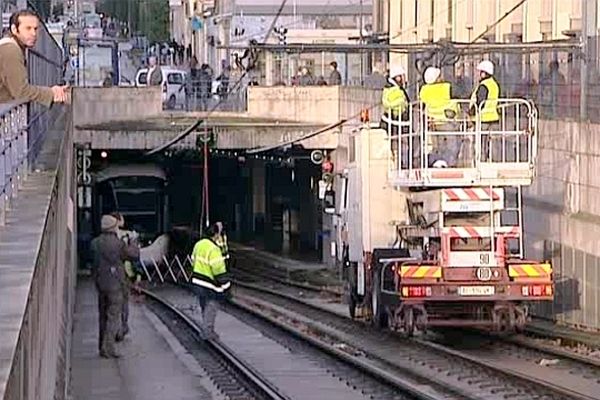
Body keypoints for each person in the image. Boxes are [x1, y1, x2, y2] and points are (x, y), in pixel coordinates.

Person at [90, 214, 140, 358]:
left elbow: (92, 262)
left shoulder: (95, 243)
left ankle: (101, 346)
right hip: (115, 283)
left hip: (100, 283)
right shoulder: (118, 244)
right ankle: (109, 348)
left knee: (102, 315)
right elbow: (134, 255)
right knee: (113, 316)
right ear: (113, 227)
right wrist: (133, 241)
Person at [0, 10, 69, 106]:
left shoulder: (9, 47)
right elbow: (21, 91)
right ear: (14, 29)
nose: (33, 33)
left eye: (36, 29)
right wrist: (51, 93)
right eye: (28, 28)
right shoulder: (11, 50)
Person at [191, 223, 231, 339]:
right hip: (208, 282)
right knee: (212, 304)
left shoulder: (199, 244)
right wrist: (226, 286)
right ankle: (207, 331)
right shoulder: (213, 249)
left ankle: (206, 328)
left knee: (204, 305)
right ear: (215, 235)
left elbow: (193, 259)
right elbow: (218, 269)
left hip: (197, 280)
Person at [419, 66, 460, 165]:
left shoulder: (423, 90)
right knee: (452, 144)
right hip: (446, 120)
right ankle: (450, 164)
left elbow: (422, 104)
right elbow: (460, 93)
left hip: (432, 122)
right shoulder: (446, 87)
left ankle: (438, 163)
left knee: (437, 146)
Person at [469, 60, 500, 161]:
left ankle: (480, 162)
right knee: (491, 144)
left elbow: (479, 101)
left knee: (480, 143)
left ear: (484, 73)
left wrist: (471, 112)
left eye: (480, 72)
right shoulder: (494, 84)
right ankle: (491, 162)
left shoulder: (484, 85)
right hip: (493, 118)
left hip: (483, 119)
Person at [381, 65, 410, 167]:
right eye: (402, 76)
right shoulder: (395, 90)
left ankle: (400, 162)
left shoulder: (389, 89)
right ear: (397, 77)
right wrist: (402, 102)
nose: (403, 79)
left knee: (398, 146)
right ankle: (402, 163)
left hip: (394, 122)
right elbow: (391, 104)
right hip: (396, 123)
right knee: (402, 146)